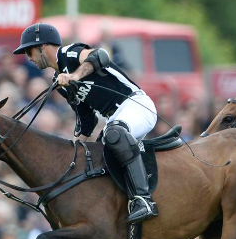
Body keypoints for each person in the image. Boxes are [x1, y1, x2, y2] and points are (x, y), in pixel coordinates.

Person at [13, 23, 159, 223]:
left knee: (114, 135)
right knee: (96, 156)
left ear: (43, 46)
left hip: (137, 104)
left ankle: (143, 200)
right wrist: (71, 151)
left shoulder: (70, 53)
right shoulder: (60, 83)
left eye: (29, 51)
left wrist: (74, 76)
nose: (28, 58)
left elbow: (101, 56)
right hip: (115, 118)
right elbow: (86, 119)